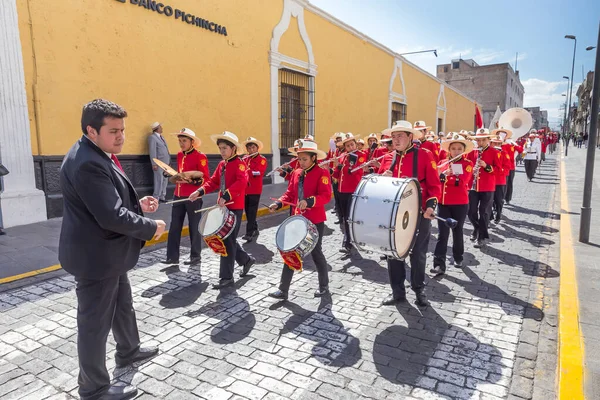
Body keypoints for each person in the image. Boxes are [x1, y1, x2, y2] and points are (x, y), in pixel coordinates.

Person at [59, 99, 165, 400]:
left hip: (108, 253)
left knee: (123, 305)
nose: (121, 136)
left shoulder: (95, 152)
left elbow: (109, 202)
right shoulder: (88, 162)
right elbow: (110, 216)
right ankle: (93, 389)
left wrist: (137, 205)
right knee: (94, 325)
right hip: (96, 258)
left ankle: (128, 350)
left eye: (122, 130)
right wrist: (149, 225)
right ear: (91, 130)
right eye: (113, 130)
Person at [377, 121, 441, 307]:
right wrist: (383, 179)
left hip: (419, 212)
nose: (396, 140)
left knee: (418, 253)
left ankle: (419, 290)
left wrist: (430, 206)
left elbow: (434, 185)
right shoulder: (388, 158)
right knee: (393, 252)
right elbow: (379, 186)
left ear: (410, 137)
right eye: (393, 137)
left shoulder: (425, 155)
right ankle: (397, 292)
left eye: (400, 136)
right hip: (394, 214)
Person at [189, 131, 255, 289]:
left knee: (227, 241)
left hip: (235, 207)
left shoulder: (239, 164)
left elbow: (241, 182)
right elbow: (213, 182)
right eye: (220, 148)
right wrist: (199, 191)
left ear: (233, 149)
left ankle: (226, 277)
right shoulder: (221, 165)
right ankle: (246, 260)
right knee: (227, 239)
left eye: (225, 148)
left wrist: (226, 195)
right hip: (223, 207)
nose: (222, 151)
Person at [267, 139, 333, 300]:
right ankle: (283, 290)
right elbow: (290, 193)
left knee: (316, 253)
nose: (301, 162)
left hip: (314, 220)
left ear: (313, 158)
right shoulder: (296, 173)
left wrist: (309, 201)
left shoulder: (322, 173)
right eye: (299, 159)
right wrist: (278, 203)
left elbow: (325, 196)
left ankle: (324, 286)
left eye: (305, 159)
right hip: (297, 219)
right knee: (289, 251)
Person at [163, 128, 209, 266]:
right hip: (178, 195)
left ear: (192, 142)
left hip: (193, 197)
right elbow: (180, 174)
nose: (181, 143)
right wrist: (172, 176)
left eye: (184, 141)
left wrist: (192, 182)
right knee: (174, 226)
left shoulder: (200, 157)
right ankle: (172, 257)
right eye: (180, 141)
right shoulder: (178, 155)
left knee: (194, 226)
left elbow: (205, 178)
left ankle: (195, 256)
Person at [431, 135, 474, 275]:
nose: (456, 151)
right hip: (443, 203)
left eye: (459, 149)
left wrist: (444, 176)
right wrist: (441, 174)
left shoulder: (467, 163)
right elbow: (434, 179)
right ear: (449, 150)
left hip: (460, 203)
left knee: (457, 231)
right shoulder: (443, 162)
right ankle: (438, 264)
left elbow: (460, 181)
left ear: (464, 150)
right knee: (442, 235)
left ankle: (458, 257)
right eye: (453, 148)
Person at [332, 133, 365, 254]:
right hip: (341, 190)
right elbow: (336, 174)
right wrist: (331, 168)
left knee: (350, 216)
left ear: (356, 144)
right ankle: (349, 238)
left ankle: (348, 240)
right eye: (348, 146)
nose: (350, 147)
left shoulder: (361, 155)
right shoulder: (343, 156)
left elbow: (356, 172)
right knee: (344, 216)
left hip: (352, 190)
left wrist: (341, 166)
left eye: (352, 144)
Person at [467, 128, 499, 249]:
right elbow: (466, 165)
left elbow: (499, 170)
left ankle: (481, 237)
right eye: (478, 140)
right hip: (473, 186)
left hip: (487, 186)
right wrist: (471, 169)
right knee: (471, 211)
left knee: (484, 212)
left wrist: (487, 166)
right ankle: (477, 228)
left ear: (488, 140)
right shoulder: (473, 152)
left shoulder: (494, 152)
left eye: (482, 140)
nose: (480, 142)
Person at [241, 137, 267, 242]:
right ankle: (255, 228)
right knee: (248, 211)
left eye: (253, 147)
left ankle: (249, 233)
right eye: (249, 148)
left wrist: (248, 171)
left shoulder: (262, 159)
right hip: (245, 189)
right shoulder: (245, 158)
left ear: (257, 148)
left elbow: (259, 173)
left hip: (255, 189)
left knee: (252, 211)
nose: (251, 150)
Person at [147, 122, 170, 203]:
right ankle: (156, 197)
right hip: (158, 163)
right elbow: (152, 151)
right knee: (158, 180)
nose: (162, 128)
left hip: (165, 163)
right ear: (157, 128)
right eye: (161, 127)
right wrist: (154, 163)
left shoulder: (162, 137)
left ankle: (162, 196)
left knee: (164, 180)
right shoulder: (152, 137)